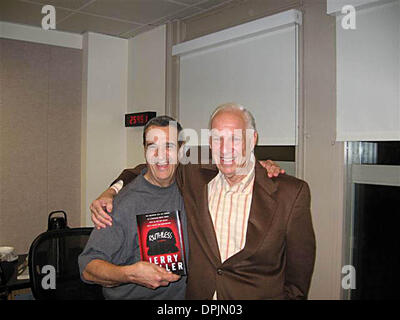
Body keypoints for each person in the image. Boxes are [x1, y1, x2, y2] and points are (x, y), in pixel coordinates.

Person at [92, 103, 314, 299]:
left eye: (235, 138)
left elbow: (298, 279)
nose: (225, 149)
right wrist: (111, 190)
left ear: (252, 138)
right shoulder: (195, 179)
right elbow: (148, 168)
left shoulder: (291, 194)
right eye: (218, 139)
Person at [78, 116, 188, 300]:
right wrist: (129, 274)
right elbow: (88, 268)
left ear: (181, 149)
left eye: (169, 146)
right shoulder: (122, 204)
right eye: (152, 146)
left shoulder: (190, 189)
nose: (161, 155)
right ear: (144, 150)